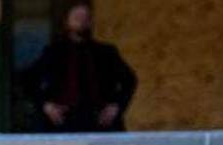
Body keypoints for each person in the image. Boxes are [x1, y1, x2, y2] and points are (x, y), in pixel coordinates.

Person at [22, 1, 137, 132]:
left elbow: (129, 80)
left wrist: (116, 106)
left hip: (100, 121)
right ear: (67, 22)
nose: (82, 22)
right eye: (77, 18)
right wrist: (46, 105)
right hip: (62, 122)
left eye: (86, 19)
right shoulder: (54, 52)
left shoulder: (106, 52)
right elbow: (27, 80)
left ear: (91, 22)